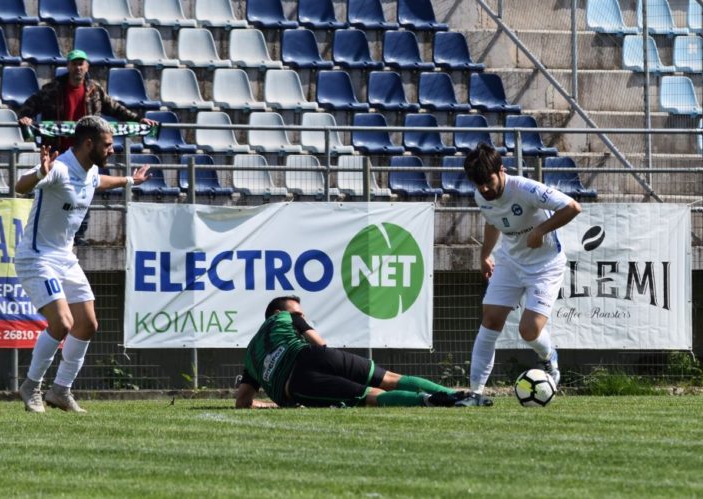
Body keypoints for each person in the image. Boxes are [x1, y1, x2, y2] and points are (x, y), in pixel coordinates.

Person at [16, 115, 151, 413]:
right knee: (62, 323)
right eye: (108, 145)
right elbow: (20, 186)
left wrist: (131, 180)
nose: (113, 150)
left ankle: (61, 390)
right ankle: (31, 386)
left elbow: (99, 182)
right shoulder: (59, 169)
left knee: (87, 324)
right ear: (88, 143)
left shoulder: (89, 171)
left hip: (65, 258)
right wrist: (39, 172)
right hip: (37, 258)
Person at [455, 143, 582, 407]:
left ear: (501, 171)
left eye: (488, 182)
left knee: (528, 331)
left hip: (545, 265)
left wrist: (541, 230)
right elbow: (492, 223)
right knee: (490, 321)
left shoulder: (525, 189)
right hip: (510, 263)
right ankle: (475, 394)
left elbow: (572, 207)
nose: (484, 189)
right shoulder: (482, 196)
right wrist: (484, 255)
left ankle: (549, 359)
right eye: (478, 185)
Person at [17, 49, 157, 246]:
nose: (78, 67)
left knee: (82, 196)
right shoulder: (53, 89)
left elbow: (115, 109)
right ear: (68, 66)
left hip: (86, 156)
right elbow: (30, 105)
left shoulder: (95, 90)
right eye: (74, 63)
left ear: (87, 67)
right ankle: (45, 240)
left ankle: (76, 239)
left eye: (81, 63)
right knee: (55, 196)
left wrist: (139, 120)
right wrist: (25, 116)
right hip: (60, 154)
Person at [235, 295, 468, 409]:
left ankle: (428, 401)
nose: (302, 316)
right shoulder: (285, 317)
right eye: (299, 312)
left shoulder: (250, 355)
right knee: (390, 379)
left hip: (297, 383)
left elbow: (243, 401)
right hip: (315, 355)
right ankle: (456, 394)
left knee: (369, 396)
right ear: (277, 312)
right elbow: (318, 342)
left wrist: (270, 404)